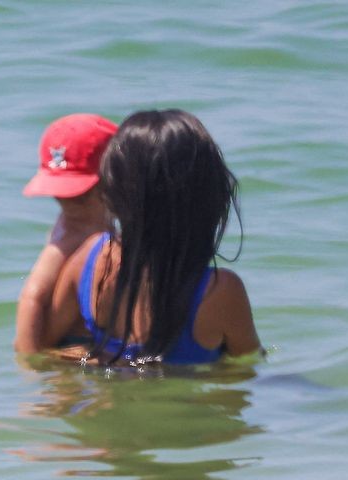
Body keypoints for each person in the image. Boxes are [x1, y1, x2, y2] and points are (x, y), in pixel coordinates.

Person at [16, 109, 260, 364]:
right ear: (209, 194)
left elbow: (42, 349)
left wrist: (102, 360)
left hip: (102, 389)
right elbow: (246, 368)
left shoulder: (89, 261)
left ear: (112, 190)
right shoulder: (221, 290)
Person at [14, 113, 117, 348]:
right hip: (67, 342)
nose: (68, 202)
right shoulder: (70, 233)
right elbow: (32, 296)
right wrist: (29, 358)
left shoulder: (85, 222)